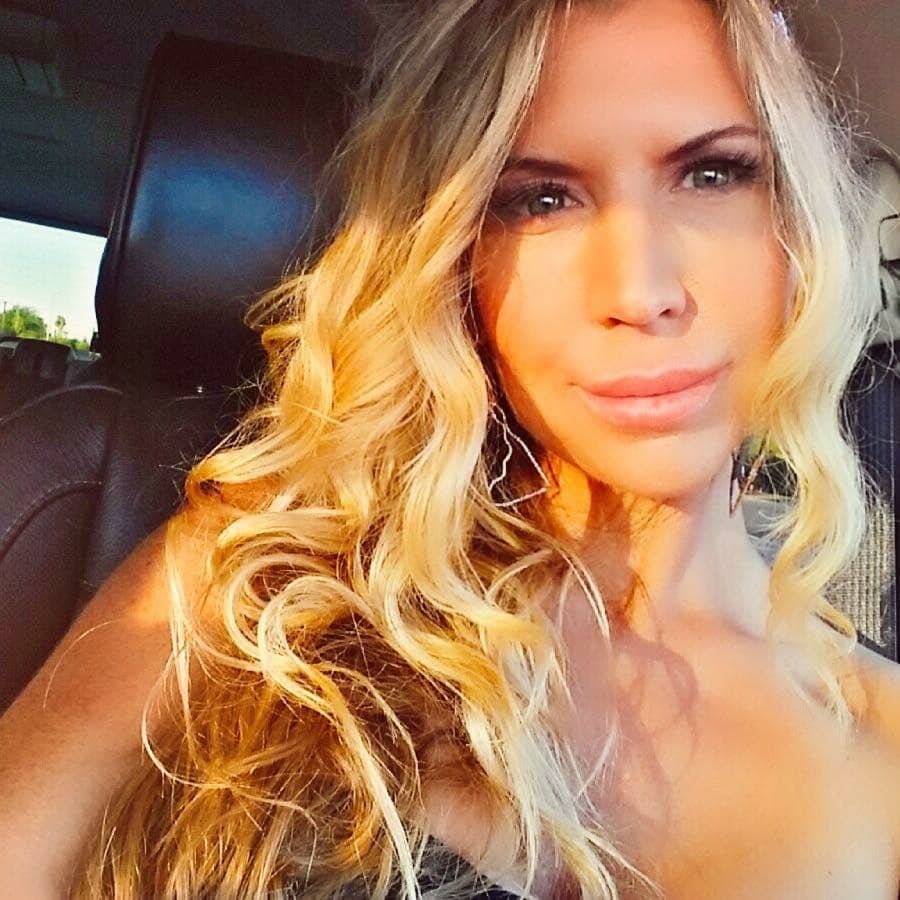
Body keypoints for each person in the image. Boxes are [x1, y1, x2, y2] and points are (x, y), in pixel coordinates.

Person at [1, 0, 899, 897]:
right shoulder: (254, 585)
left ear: (800, 222)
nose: (641, 290)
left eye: (712, 174)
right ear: (455, 259)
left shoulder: (886, 742)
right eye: (540, 199)